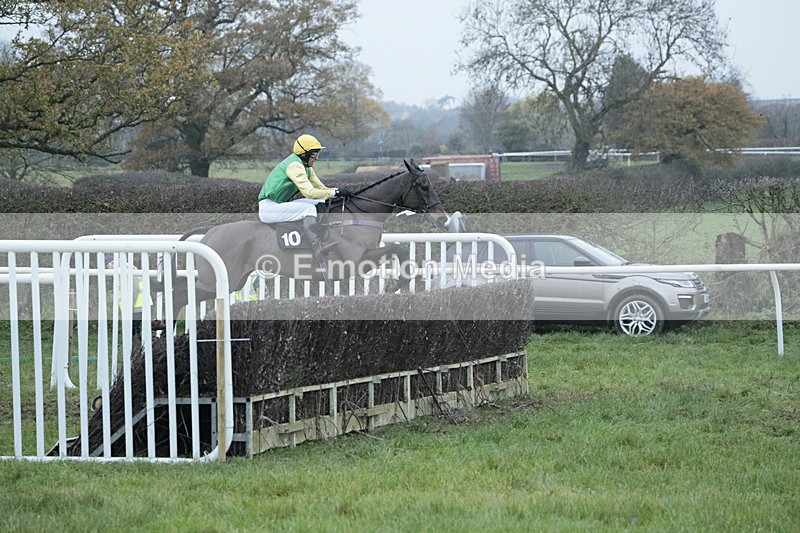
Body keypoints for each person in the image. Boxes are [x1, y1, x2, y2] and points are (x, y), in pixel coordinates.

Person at [257, 134, 352, 273]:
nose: (316, 158)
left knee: (320, 201)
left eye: (317, 153)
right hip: (269, 208)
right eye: (314, 154)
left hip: (279, 205)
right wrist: (334, 192)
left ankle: (323, 235)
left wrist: (337, 192)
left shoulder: (306, 167)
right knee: (309, 209)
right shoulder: (294, 165)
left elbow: (321, 189)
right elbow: (309, 192)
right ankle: (316, 249)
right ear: (303, 154)